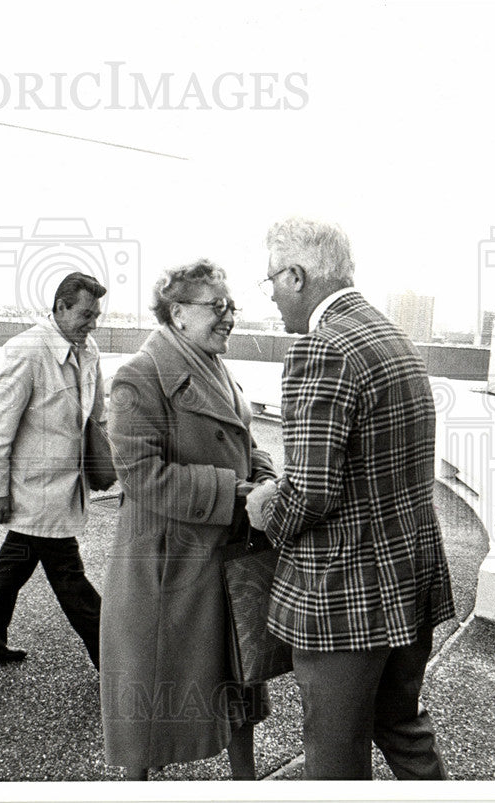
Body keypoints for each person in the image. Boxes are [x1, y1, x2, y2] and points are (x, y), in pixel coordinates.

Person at [246, 217, 455, 780]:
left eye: (270, 281)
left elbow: (312, 492)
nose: (271, 298)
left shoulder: (322, 348)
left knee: (335, 763)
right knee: (402, 728)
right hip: (410, 578)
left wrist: (267, 507)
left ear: (296, 276)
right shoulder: (391, 335)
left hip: (348, 596)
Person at [100, 259, 277, 781]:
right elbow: (141, 476)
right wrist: (237, 492)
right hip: (168, 570)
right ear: (178, 313)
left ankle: (246, 783)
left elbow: (244, 440)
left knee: (238, 681)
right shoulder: (140, 375)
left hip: (220, 560)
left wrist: (266, 477)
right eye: (217, 307)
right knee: (150, 700)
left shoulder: (213, 364)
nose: (229, 318)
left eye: (231, 307)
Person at [0, 272, 106, 668]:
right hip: (35, 489)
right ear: (60, 307)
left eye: (97, 315)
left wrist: (106, 466)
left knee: (15, 562)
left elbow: (97, 417)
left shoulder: (88, 349)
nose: (93, 324)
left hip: (65, 486)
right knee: (69, 575)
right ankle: (117, 659)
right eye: (86, 314)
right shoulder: (25, 351)